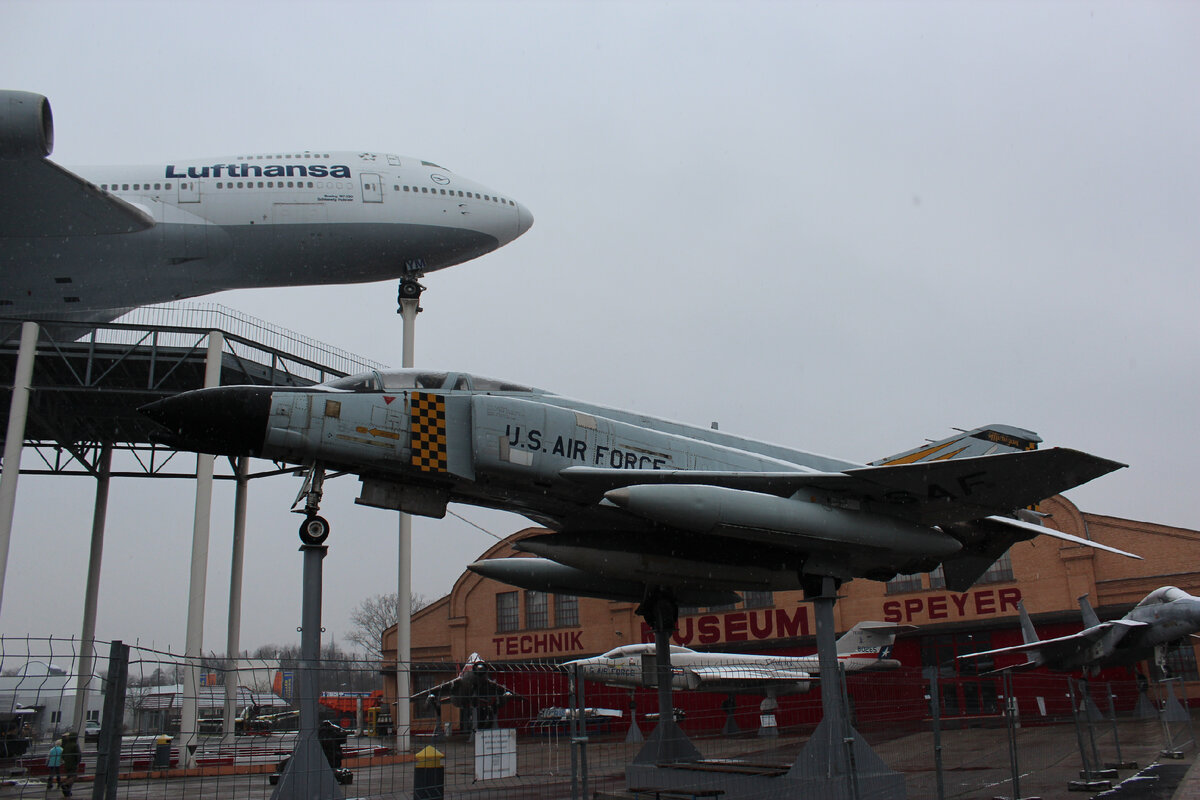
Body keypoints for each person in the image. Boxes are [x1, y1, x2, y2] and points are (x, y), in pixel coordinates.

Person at [59, 732, 81, 797]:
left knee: (69, 776)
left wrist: (66, 760)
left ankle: (67, 792)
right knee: (73, 777)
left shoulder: (66, 745)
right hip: (73, 764)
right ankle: (65, 785)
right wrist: (78, 762)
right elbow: (78, 755)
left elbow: (63, 755)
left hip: (67, 764)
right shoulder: (75, 745)